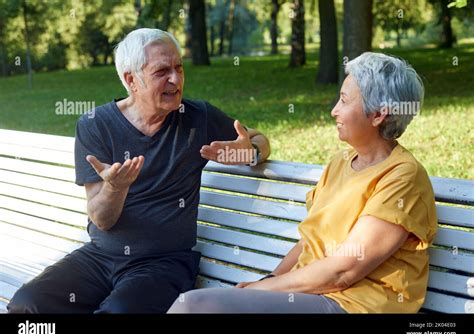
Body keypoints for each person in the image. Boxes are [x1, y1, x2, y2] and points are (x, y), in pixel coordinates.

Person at [7, 28, 270, 314]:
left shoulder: (198, 118)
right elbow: (102, 219)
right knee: (27, 306)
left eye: (179, 68)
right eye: (162, 71)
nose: (176, 79)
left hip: (164, 262)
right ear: (132, 79)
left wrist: (246, 152)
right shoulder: (96, 125)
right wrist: (115, 188)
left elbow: (259, 140)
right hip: (100, 256)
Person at [168, 52, 437, 314]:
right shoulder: (341, 162)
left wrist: (261, 291)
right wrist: (268, 280)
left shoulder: (403, 177)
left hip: (353, 304)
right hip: (309, 295)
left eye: (344, 101)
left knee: (192, 307)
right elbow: (309, 242)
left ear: (378, 115)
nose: (334, 111)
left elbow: (343, 271)